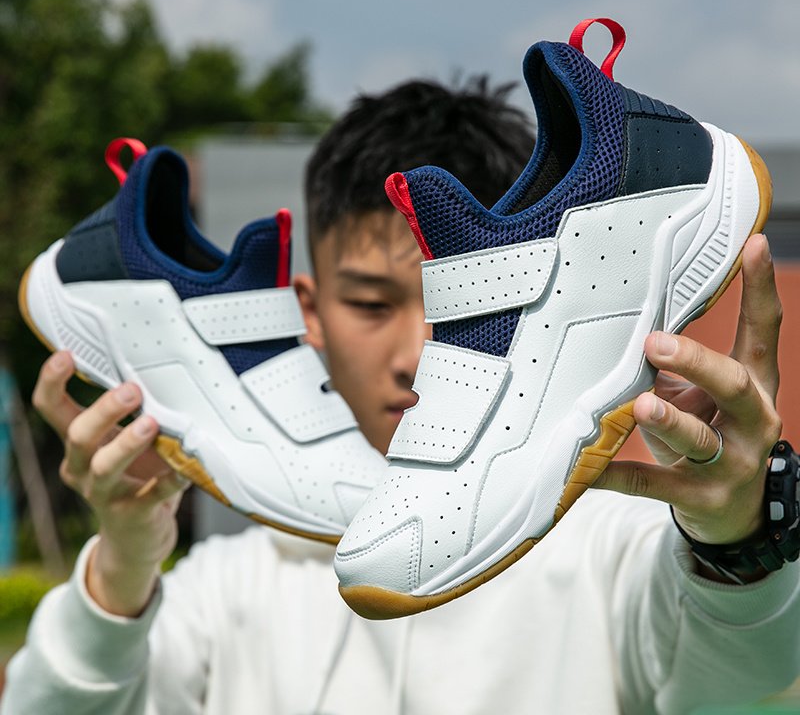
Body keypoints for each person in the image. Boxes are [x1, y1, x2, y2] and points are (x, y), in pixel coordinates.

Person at [2, 77, 798, 715]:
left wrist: (735, 536)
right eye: (372, 304)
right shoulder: (224, 588)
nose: (421, 356)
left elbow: (744, 685)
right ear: (306, 313)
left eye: (465, 314)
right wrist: (123, 561)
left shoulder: (614, 545)